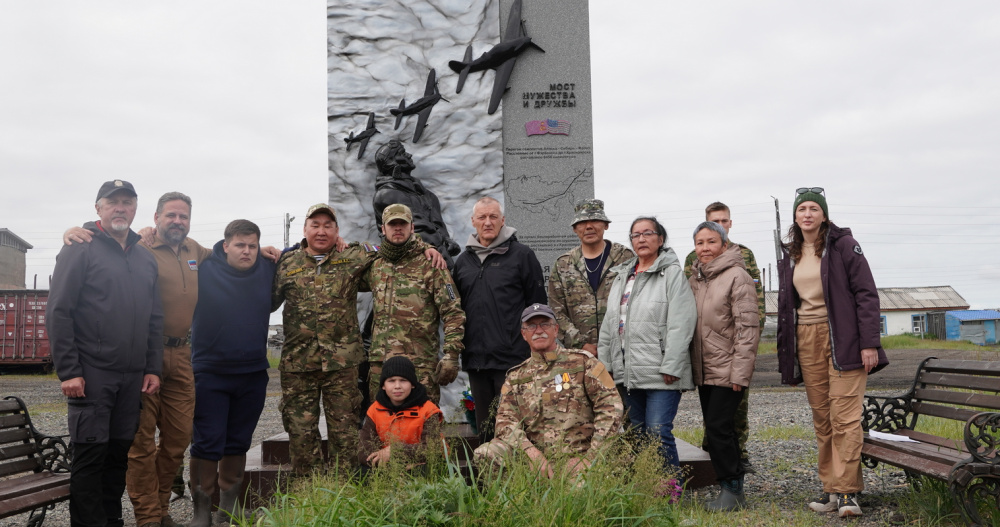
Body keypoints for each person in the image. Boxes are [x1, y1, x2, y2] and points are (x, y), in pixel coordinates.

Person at [62, 192, 280, 527]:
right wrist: (75, 231)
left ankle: (165, 510)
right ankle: (150, 519)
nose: (177, 222)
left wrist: (263, 250)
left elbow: (234, 251)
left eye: (183, 217)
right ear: (156, 217)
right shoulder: (139, 247)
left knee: (177, 441)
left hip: (181, 355)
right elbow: (110, 241)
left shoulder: (197, 251)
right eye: (171, 216)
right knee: (140, 443)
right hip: (142, 353)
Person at [47, 180, 163, 527]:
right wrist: (69, 371)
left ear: (135, 209)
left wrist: (152, 367)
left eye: (127, 203)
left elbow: (155, 318)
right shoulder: (80, 248)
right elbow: (59, 311)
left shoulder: (144, 257)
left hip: (131, 378)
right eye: (112, 203)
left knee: (117, 458)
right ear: (98, 208)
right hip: (92, 374)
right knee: (90, 458)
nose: (120, 209)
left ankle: (111, 520)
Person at [776, 188, 888, 518]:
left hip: (845, 338)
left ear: (824, 215)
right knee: (823, 419)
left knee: (845, 418)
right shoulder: (791, 255)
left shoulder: (844, 247)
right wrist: (787, 357)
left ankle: (849, 493)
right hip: (807, 337)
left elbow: (866, 295)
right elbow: (787, 307)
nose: (807, 214)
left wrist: (870, 342)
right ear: (796, 217)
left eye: (814, 209)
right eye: (802, 209)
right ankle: (831, 490)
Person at [271, 203, 379, 476]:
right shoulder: (287, 263)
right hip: (299, 364)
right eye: (315, 225)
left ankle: (346, 494)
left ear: (337, 231)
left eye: (328, 226)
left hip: (341, 364)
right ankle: (311, 496)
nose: (321, 231)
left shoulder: (353, 256)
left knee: (345, 433)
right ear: (304, 230)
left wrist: (426, 248)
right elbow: (268, 302)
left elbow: (391, 251)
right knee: (301, 432)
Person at [187, 220, 274, 526]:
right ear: (225, 246)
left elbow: (309, 249)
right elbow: (172, 250)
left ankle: (229, 507)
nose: (246, 251)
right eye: (240, 245)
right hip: (210, 372)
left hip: (252, 373)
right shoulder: (205, 268)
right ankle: (201, 512)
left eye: (252, 245)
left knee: (238, 441)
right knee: (207, 442)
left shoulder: (268, 267)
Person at [474, 304, 623, 477]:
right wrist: (531, 453)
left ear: (556, 330)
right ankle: (513, 501)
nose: (538, 330)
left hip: (578, 458)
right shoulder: (516, 377)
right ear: (524, 334)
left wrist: (590, 457)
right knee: (486, 453)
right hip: (533, 461)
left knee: (577, 495)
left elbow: (611, 407)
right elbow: (505, 423)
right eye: (531, 326)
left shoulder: (582, 363)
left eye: (545, 324)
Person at [598, 216, 696, 471]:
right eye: (635, 235)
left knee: (658, 432)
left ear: (660, 239)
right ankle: (647, 492)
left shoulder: (671, 274)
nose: (641, 239)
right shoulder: (622, 277)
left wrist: (672, 364)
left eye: (648, 233)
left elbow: (681, 321)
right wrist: (605, 365)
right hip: (627, 372)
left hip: (661, 372)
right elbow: (610, 324)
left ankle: (671, 492)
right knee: (636, 433)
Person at [452, 196, 547, 439]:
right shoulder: (463, 262)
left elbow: (537, 307)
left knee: (518, 428)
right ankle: (488, 477)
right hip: (477, 361)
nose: (487, 222)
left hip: (513, 360)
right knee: (486, 430)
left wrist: (537, 350)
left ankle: (520, 478)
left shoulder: (522, 256)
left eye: (493, 216)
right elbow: (456, 310)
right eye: (482, 217)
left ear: (502, 220)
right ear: (473, 221)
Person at [683, 201, 764, 473]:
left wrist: (744, 359)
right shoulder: (694, 271)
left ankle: (734, 473)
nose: (705, 247)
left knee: (726, 421)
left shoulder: (739, 268)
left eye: (712, 240)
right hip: (705, 359)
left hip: (730, 356)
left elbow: (750, 314)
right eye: (700, 242)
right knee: (714, 421)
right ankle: (722, 469)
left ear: (725, 240)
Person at [365, 203, 465, 405]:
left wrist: (452, 354)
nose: (398, 228)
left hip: (419, 366)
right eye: (392, 224)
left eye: (403, 223)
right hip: (381, 367)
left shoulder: (431, 264)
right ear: (383, 229)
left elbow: (453, 311)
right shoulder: (375, 264)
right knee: (383, 430)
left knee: (424, 430)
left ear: (412, 228)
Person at [547, 198, 633, 355]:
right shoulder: (563, 264)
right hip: (580, 355)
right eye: (582, 222)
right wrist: (580, 344)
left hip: (621, 350)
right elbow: (556, 310)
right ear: (574, 228)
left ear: (606, 224)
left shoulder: (624, 258)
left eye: (595, 220)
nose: (588, 226)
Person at [358, 355, 444, 472]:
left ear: (413, 384)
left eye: (403, 380)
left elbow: (431, 450)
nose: (397, 386)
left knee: (427, 470)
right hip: (385, 466)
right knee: (362, 473)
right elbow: (364, 448)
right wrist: (390, 465)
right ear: (383, 386)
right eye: (391, 381)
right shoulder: (374, 409)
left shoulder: (428, 410)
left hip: (418, 465)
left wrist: (396, 451)